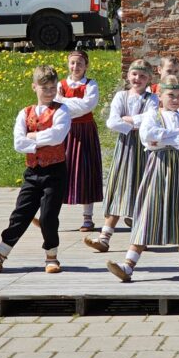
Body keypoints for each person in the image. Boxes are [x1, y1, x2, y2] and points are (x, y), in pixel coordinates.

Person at [107, 76, 179, 281]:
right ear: (160, 96)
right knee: (149, 211)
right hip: (159, 166)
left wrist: (164, 137)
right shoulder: (152, 115)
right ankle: (128, 265)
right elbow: (148, 137)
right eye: (171, 95)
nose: (175, 99)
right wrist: (175, 134)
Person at [0, 65, 71, 274]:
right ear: (34, 87)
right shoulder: (24, 113)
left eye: (53, 88)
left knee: (48, 217)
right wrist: (38, 141)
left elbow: (58, 137)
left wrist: (32, 137)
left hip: (55, 172)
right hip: (32, 172)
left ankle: (51, 257)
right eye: (45, 88)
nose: (50, 92)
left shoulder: (62, 111)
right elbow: (18, 143)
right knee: (20, 214)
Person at [84, 59, 157, 253]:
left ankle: (142, 236)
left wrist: (130, 120)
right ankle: (104, 237)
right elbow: (112, 122)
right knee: (119, 188)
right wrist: (135, 124)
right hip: (125, 148)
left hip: (144, 149)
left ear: (149, 78)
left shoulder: (152, 99)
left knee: (144, 190)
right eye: (134, 74)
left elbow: (152, 119)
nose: (137, 79)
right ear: (128, 76)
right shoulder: (121, 96)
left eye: (142, 76)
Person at [57, 50, 103, 232]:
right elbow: (56, 105)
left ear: (86, 66)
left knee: (86, 170)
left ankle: (88, 219)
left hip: (85, 131)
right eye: (72, 63)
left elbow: (87, 106)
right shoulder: (60, 84)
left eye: (80, 63)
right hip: (65, 131)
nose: (75, 67)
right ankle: (51, 215)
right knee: (61, 171)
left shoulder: (91, 85)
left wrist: (63, 101)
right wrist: (66, 103)